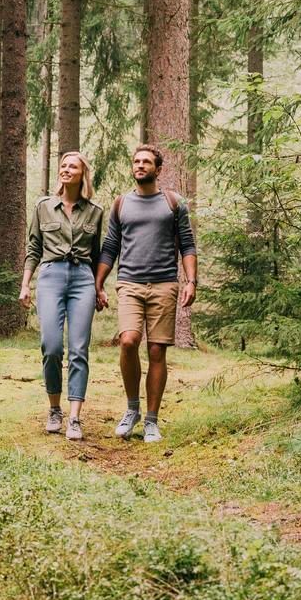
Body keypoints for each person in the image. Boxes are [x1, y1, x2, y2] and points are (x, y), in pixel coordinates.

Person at [94, 144, 197, 443]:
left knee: (156, 351)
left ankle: (151, 420)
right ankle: (132, 409)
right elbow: (110, 246)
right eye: (136, 161)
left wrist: (191, 281)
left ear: (158, 169)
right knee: (128, 341)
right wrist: (98, 284)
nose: (140, 165)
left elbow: (187, 245)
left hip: (164, 284)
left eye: (146, 162)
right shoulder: (121, 203)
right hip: (129, 283)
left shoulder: (173, 203)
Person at [20, 151, 104, 441]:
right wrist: (25, 284)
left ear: (83, 174)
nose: (66, 170)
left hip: (83, 279)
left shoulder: (95, 211)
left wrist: (100, 287)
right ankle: (54, 409)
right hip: (51, 276)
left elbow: (97, 255)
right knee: (52, 346)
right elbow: (33, 248)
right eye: (63, 166)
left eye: (73, 167)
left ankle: (75, 417)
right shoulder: (43, 206)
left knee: (79, 349)